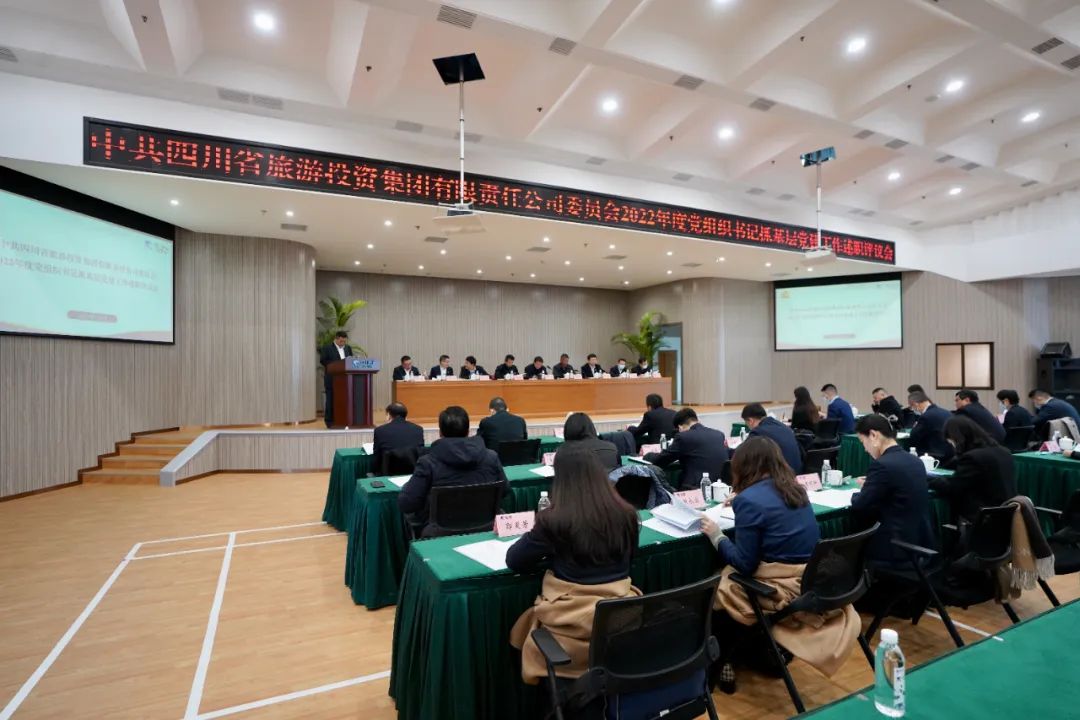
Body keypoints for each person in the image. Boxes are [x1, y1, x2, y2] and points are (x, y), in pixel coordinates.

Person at [699, 437, 822, 694]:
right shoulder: (795, 489)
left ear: (743, 465)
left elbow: (744, 564)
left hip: (776, 587)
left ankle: (723, 662)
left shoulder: (750, 500)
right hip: (808, 580)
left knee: (718, 584)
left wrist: (716, 536)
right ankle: (759, 651)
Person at [508, 445, 640, 685]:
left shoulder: (554, 519)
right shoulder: (626, 513)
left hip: (571, 627)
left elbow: (515, 560)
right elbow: (631, 558)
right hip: (619, 619)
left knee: (522, 626)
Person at [397, 406, 507, 536]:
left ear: (440, 433)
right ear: (468, 432)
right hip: (486, 527)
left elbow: (407, 503)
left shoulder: (427, 462)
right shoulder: (491, 457)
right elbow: (505, 490)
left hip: (441, 532)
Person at [850, 414, 937, 569]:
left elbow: (860, 506)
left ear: (873, 435)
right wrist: (872, 484)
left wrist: (859, 492)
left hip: (893, 547)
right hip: (919, 542)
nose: (865, 449)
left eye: (863, 442)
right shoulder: (915, 461)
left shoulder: (882, 465)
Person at [931, 416, 1016, 523]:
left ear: (958, 438)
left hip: (982, 517)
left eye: (952, 442)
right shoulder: (1005, 452)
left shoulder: (972, 458)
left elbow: (953, 488)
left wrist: (932, 480)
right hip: (1008, 513)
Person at [644, 408, 728, 489]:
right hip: (720, 486)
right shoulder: (719, 434)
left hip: (694, 488)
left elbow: (661, 459)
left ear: (680, 427)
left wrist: (648, 456)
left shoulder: (683, 437)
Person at [741, 403, 802, 473]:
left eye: (746, 423)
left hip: (781, 476)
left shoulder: (758, 432)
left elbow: (742, 453)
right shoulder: (783, 426)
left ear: (750, 421)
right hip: (797, 472)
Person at [371, 402, 424, 473]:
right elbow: (421, 454)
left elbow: (376, 457)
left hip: (388, 473)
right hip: (414, 472)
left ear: (389, 415)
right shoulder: (418, 429)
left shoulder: (380, 431)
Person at [907, 391, 954, 462]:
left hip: (934, 454)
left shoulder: (926, 416)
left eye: (911, 407)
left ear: (916, 404)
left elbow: (914, 437)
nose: (912, 409)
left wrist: (914, 428)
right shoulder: (947, 412)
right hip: (950, 453)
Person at [319, 330, 352, 427]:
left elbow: (350, 360)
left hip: (345, 379)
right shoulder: (327, 348)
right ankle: (330, 422)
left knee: (344, 400)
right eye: (341, 341)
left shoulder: (348, 348)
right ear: (336, 339)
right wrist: (337, 364)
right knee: (331, 400)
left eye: (344, 341)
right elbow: (323, 361)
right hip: (332, 379)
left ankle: (343, 420)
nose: (343, 343)